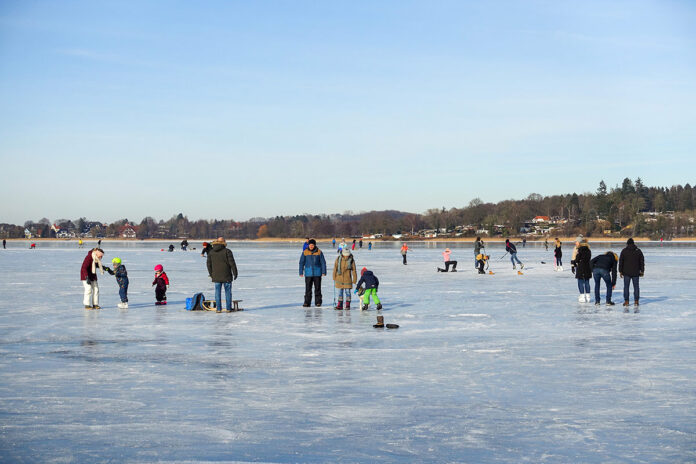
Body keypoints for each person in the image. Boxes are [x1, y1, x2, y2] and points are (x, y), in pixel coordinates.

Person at [207, 237, 238, 313]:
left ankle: (218, 309)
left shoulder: (211, 252)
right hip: (226, 275)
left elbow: (208, 265)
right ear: (224, 242)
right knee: (228, 293)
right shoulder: (227, 251)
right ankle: (228, 308)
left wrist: (211, 274)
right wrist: (235, 273)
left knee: (217, 293)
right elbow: (232, 263)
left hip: (216, 276)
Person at [619, 238, 645, 311]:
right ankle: (636, 301)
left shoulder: (624, 251)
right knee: (636, 287)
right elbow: (642, 261)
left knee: (626, 287)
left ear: (627, 243)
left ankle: (626, 301)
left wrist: (620, 271)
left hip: (626, 272)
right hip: (636, 272)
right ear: (633, 243)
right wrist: (642, 271)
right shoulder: (638, 251)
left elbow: (621, 261)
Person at [299, 239, 326, 307]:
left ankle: (318, 302)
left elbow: (323, 262)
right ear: (309, 245)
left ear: (314, 245)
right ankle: (307, 302)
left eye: (312, 245)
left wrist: (323, 271)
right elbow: (301, 262)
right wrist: (301, 272)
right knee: (308, 289)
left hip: (317, 273)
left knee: (317, 288)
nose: (311, 246)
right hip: (308, 273)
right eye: (310, 245)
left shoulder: (319, 252)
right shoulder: (305, 252)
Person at [571, 237, 592, 303]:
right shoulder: (589, 250)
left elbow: (577, 259)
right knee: (587, 282)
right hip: (588, 267)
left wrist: (573, 263)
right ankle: (588, 296)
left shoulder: (579, 250)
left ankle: (582, 296)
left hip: (580, 267)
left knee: (580, 281)